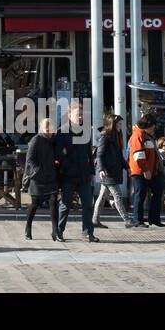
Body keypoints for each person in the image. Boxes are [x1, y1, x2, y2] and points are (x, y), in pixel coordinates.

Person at [55, 104, 98, 242]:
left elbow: (89, 153)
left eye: (81, 114)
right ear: (69, 116)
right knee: (66, 205)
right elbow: (59, 155)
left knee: (87, 205)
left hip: (84, 175)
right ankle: (58, 231)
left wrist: (91, 171)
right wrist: (69, 167)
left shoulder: (85, 131)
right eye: (77, 114)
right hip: (68, 175)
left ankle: (87, 232)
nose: (80, 117)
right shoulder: (62, 132)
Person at [93, 114, 134, 229]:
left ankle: (95, 220)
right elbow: (99, 155)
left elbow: (119, 157)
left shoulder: (115, 137)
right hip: (107, 172)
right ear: (113, 124)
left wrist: (127, 167)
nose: (121, 126)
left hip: (112, 171)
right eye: (119, 124)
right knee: (117, 195)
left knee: (102, 196)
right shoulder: (105, 137)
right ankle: (127, 220)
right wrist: (101, 169)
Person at [24, 117, 61, 241]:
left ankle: (55, 232)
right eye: (47, 129)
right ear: (42, 129)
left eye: (51, 129)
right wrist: (38, 170)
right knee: (35, 204)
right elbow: (30, 159)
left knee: (53, 203)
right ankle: (28, 227)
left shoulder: (53, 140)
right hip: (38, 179)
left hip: (51, 177)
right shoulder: (36, 139)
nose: (50, 132)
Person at [129, 113, 163, 227]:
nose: (154, 128)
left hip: (151, 171)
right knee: (140, 194)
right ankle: (137, 220)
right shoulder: (138, 136)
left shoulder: (147, 135)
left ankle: (154, 218)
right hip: (140, 171)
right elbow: (138, 155)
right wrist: (145, 170)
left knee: (157, 190)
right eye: (153, 125)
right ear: (148, 125)